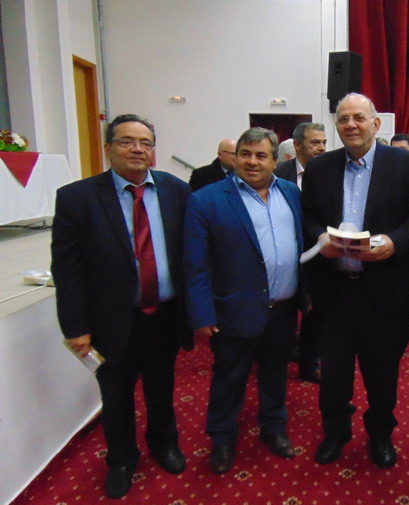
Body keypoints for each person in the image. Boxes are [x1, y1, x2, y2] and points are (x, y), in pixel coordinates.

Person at [51, 114, 193, 499]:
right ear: (108, 147)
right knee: (115, 395)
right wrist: (75, 327)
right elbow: (67, 269)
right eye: (127, 141)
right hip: (110, 320)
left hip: (164, 314)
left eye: (145, 143)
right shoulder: (77, 198)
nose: (137, 149)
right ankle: (122, 459)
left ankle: (164, 443)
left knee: (162, 386)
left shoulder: (176, 191)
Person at [302, 93, 409, 468]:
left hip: (384, 292)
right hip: (334, 292)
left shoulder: (406, 164)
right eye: (343, 119)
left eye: (359, 117)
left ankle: (380, 435)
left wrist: (396, 242)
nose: (351, 125)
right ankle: (336, 432)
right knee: (334, 376)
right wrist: (320, 238)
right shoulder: (320, 168)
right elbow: (307, 216)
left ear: (376, 123)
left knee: (382, 374)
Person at [184, 127, 303, 474]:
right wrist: (202, 313)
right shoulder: (206, 200)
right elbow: (195, 264)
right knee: (229, 378)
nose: (252, 162)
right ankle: (222, 439)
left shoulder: (292, 193)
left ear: (275, 161)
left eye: (261, 155)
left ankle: (274, 428)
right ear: (234, 158)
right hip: (233, 309)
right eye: (245, 154)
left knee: (275, 373)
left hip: (283, 307)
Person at [275, 122, 327, 383]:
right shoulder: (278, 173)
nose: (322, 148)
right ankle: (278, 356)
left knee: (314, 313)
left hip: (318, 252)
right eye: (315, 142)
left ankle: (309, 362)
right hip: (284, 251)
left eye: (324, 142)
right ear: (297, 145)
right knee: (282, 310)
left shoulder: (330, 171)